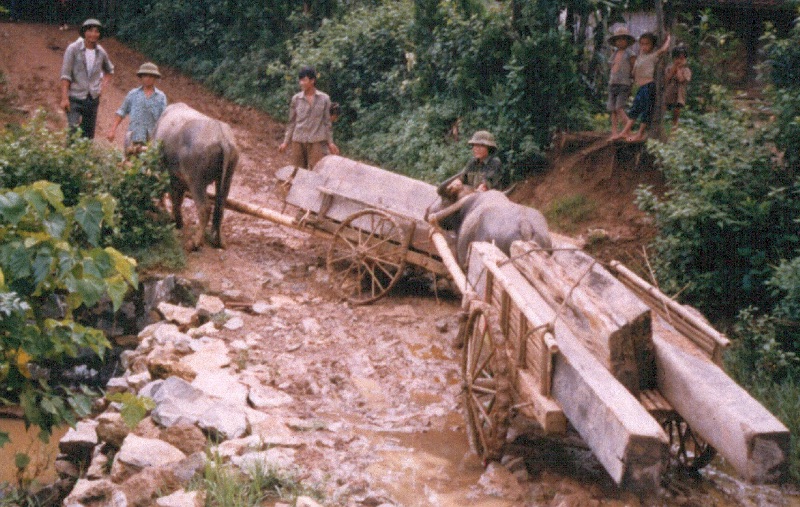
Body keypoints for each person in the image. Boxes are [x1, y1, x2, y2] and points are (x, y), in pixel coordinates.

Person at [60, 18, 114, 140]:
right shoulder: (73, 49)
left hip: (92, 99)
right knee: (73, 130)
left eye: (96, 31)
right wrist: (64, 98)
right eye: (90, 31)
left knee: (88, 135)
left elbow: (110, 70)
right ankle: (70, 157)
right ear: (84, 32)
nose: (93, 34)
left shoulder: (101, 52)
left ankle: (84, 158)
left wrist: (102, 87)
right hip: (75, 97)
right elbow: (65, 74)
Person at [278, 66, 339, 170]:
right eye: (300, 80)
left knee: (315, 171)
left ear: (312, 80)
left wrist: (330, 142)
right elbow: (291, 123)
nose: (301, 83)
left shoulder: (324, 99)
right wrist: (285, 142)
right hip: (298, 141)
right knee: (296, 171)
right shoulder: (296, 99)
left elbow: (327, 123)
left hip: (316, 142)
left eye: (304, 80)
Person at [615, 31, 671, 143]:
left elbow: (663, 49)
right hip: (641, 88)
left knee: (646, 111)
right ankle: (624, 132)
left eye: (647, 44)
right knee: (635, 109)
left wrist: (668, 39)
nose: (644, 47)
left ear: (652, 46)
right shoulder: (640, 55)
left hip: (648, 87)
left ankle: (639, 134)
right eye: (642, 44)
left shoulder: (652, 56)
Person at [106, 62, 167, 155]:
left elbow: (164, 119)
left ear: (155, 78)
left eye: (151, 76)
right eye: (145, 75)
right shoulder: (133, 94)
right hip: (134, 138)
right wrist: (112, 130)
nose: (148, 78)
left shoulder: (161, 97)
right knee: (130, 165)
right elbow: (121, 112)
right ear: (141, 77)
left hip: (152, 140)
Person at [437, 130, 503, 197]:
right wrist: (457, 182)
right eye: (475, 145)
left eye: (480, 146)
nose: (476, 149)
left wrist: (481, 188)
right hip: (472, 198)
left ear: (489, 148)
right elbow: (462, 177)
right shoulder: (472, 162)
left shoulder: (494, 162)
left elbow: (486, 184)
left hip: (490, 199)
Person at [606, 26, 636, 139]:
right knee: (612, 109)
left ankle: (628, 129)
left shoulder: (630, 53)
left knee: (619, 107)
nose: (620, 41)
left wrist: (632, 81)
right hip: (613, 83)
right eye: (618, 39)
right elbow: (612, 67)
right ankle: (614, 132)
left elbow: (634, 68)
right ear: (615, 42)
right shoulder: (614, 53)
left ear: (627, 41)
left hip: (624, 84)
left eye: (623, 39)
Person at [664, 45, 691, 128]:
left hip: (679, 93)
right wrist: (674, 68)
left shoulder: (686, 70)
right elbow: (667, 79)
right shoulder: (669, 68)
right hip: (669, 92)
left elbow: (681, 79)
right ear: (673, 59)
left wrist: (678, 69)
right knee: (664, 106)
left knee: (676, 109)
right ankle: (662, 123)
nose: (679, 60)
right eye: (677, 58)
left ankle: (674, 125)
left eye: (682, 59)